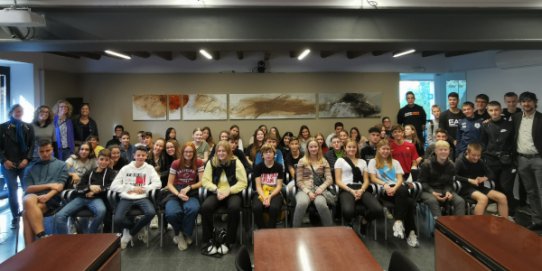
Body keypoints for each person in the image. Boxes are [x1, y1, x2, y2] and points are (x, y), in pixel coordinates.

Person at [367, 140, 418, 247]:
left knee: (407, 198)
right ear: (378, 150)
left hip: (397, 188)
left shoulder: (395, 162)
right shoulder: (373, 161)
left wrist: (395, 187)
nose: (385, 151)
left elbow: (400, 179)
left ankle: (399, 223)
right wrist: (385, 185)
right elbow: (373, 178)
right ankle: (410, 233)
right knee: (409, 201)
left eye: (387, 149)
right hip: (384, 190)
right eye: (383, 149)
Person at [110, 145, 161, 249]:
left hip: (142, 197)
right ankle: (137, 227)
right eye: (138, 155)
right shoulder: (125, 168)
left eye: (143, 155)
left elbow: (158, 183)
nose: (140, 157)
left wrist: (145, 188)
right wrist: (131, 188)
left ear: (146, 156)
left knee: (151, 213)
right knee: (118, 220)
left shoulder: (149, 168)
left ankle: (130, 233)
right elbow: (113, 186)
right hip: (126, 197)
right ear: (133, 155)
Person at [201, 141, 248, 254]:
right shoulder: (211, 162)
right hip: (216, 192)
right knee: (205, 207)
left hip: (232, 192)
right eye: (219, 151)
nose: (221, 153)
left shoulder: (236, 162)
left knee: (234, 208)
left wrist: (229, 191)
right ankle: (209, 239)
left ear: (228, 152)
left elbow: (243, 182)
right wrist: (216, 190)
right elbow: (205, 181)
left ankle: (229, 241)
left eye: (223, 151)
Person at [55, 149, 116, 234]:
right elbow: (79, 187)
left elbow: (111, 186)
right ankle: (64, 239)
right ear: (97, 159)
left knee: (101, 211)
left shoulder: (111, 173)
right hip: (82, 198)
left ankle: (90, 234)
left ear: (109, 161)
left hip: (96, 199)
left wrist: (96, 191)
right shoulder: (89, 172)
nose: (103, 162)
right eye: (101, 159)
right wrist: (89, 187)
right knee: (60, 215)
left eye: (106, 160)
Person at [22, 139, 68, 246]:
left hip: (51, 199)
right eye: (41, 152)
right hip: (32, 197)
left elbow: (60, 185)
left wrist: (47, 196)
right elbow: (27, 188)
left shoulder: (61, 165)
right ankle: (42, 236)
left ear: (52, 149)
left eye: (48, 150)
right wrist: (49, 185)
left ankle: (28, 249)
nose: (45, 154)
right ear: (37, 152)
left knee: (26, 213)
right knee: (28, 198)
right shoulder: (30, 168)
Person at [335, 139, 382, 234]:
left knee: (378, 209)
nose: (351, 149)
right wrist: (351, 191)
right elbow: (338, 180)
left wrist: (361, 190)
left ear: (357, 148)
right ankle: (350, 224)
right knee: (348, 211)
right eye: (349, 147)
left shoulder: (362, 162)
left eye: (354, 147)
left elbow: (366, 180)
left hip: (361, 188)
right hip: (346, 188)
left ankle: (364, 221)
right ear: (345, 148)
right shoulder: (340, 160)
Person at [0, 104, 35, 228]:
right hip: (7, 164)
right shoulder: (2, 127)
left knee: (27, 189)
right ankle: (15, 216)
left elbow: (32, 145)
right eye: (16, 111)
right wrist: (4, 161)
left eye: (21, 111)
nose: (19, 113)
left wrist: (26, 159)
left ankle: (27, 213)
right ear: (11, 112)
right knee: (12, 191)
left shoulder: (28, 127)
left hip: (23, 164)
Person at [480, 101, 517, 216]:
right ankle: (498, 210)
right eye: (491, 110)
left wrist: (513, 159)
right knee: (494, 186)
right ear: (488, 111)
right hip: (490, 161)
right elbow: (483, 143)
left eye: (496, 110)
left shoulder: (510, 124)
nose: (494, 112)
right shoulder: (485, 125)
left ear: (501, 110)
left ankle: (510, 213)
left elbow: (514, 142)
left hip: (506, 161)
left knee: (506, 187)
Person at [513, 91, 542, 231]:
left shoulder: (541, 118)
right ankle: (538, 220)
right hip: (522, 160)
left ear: (535, 102)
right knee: (531, 192)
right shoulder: (516, 117)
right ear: (521, 103)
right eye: (523, 101)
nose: (526, 104)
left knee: (541, 191)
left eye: (529, 101)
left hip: (538, 160)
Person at [165, 142, 203, 251]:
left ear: (194, 153)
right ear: (182, 152)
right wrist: (178, 194)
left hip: (191, 192)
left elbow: (202, 182)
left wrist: (189, 187)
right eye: (186, 151)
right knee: (172, 213)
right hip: (175, 192)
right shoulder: (176, 163)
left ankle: (185, 233)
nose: (188, 153)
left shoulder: (199, 162)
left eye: (191, 151)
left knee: (193, 209)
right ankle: (179, 233)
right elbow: (169, 184)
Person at [455, 143, 509, 218]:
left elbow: (491, 174)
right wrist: (469, 180)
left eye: (478, 155)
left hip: (479, 187)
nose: (476, 158)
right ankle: (478, 226)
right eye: (473, 155)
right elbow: (453, 176)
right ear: (467, 152)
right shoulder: (460, 161)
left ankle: (504, 223)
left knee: (502, 197)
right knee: (483, 199)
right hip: (465, 188)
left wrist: (484, 178)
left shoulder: (480, 162)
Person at [418, 140, 465, 220]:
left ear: (449, 151)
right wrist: (432, 192)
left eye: (445, 150)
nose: (443, 152)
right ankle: (440, 228)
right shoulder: (427, 164)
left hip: (443, 189)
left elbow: (449, 183)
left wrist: (448, 192)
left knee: (460, 201)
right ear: (435, 151)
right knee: (433, 201)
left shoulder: (451, 165)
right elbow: (422, 182)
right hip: (427, 190)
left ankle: (459, 227)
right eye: (440, 150)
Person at [292, 138, 333, 227]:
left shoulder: (324, 161)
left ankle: (330, 229)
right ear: (307, 148)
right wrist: (308, 192)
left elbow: (329, 179)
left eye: (315, 146)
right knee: (301, 203)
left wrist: (321, 188)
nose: (313, 149)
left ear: (318, 148)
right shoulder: (302, 161)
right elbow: (298, 181)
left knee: (321, 204)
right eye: (311, 147)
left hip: (319, 190)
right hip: (304, 189)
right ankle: (295, 229)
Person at [252, 144, 284, 229]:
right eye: (265, 153)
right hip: (261, 192)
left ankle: (270, 230)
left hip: (274, 192)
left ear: (274, 154)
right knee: (256, 207)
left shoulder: (279, 167)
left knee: (274, 208)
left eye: (270, 152)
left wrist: (269, 197)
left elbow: (279, 186)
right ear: (262, 155)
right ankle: (262, 229)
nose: (268, 154)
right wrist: (264, 197)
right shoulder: (258, 167)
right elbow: (258, 186)